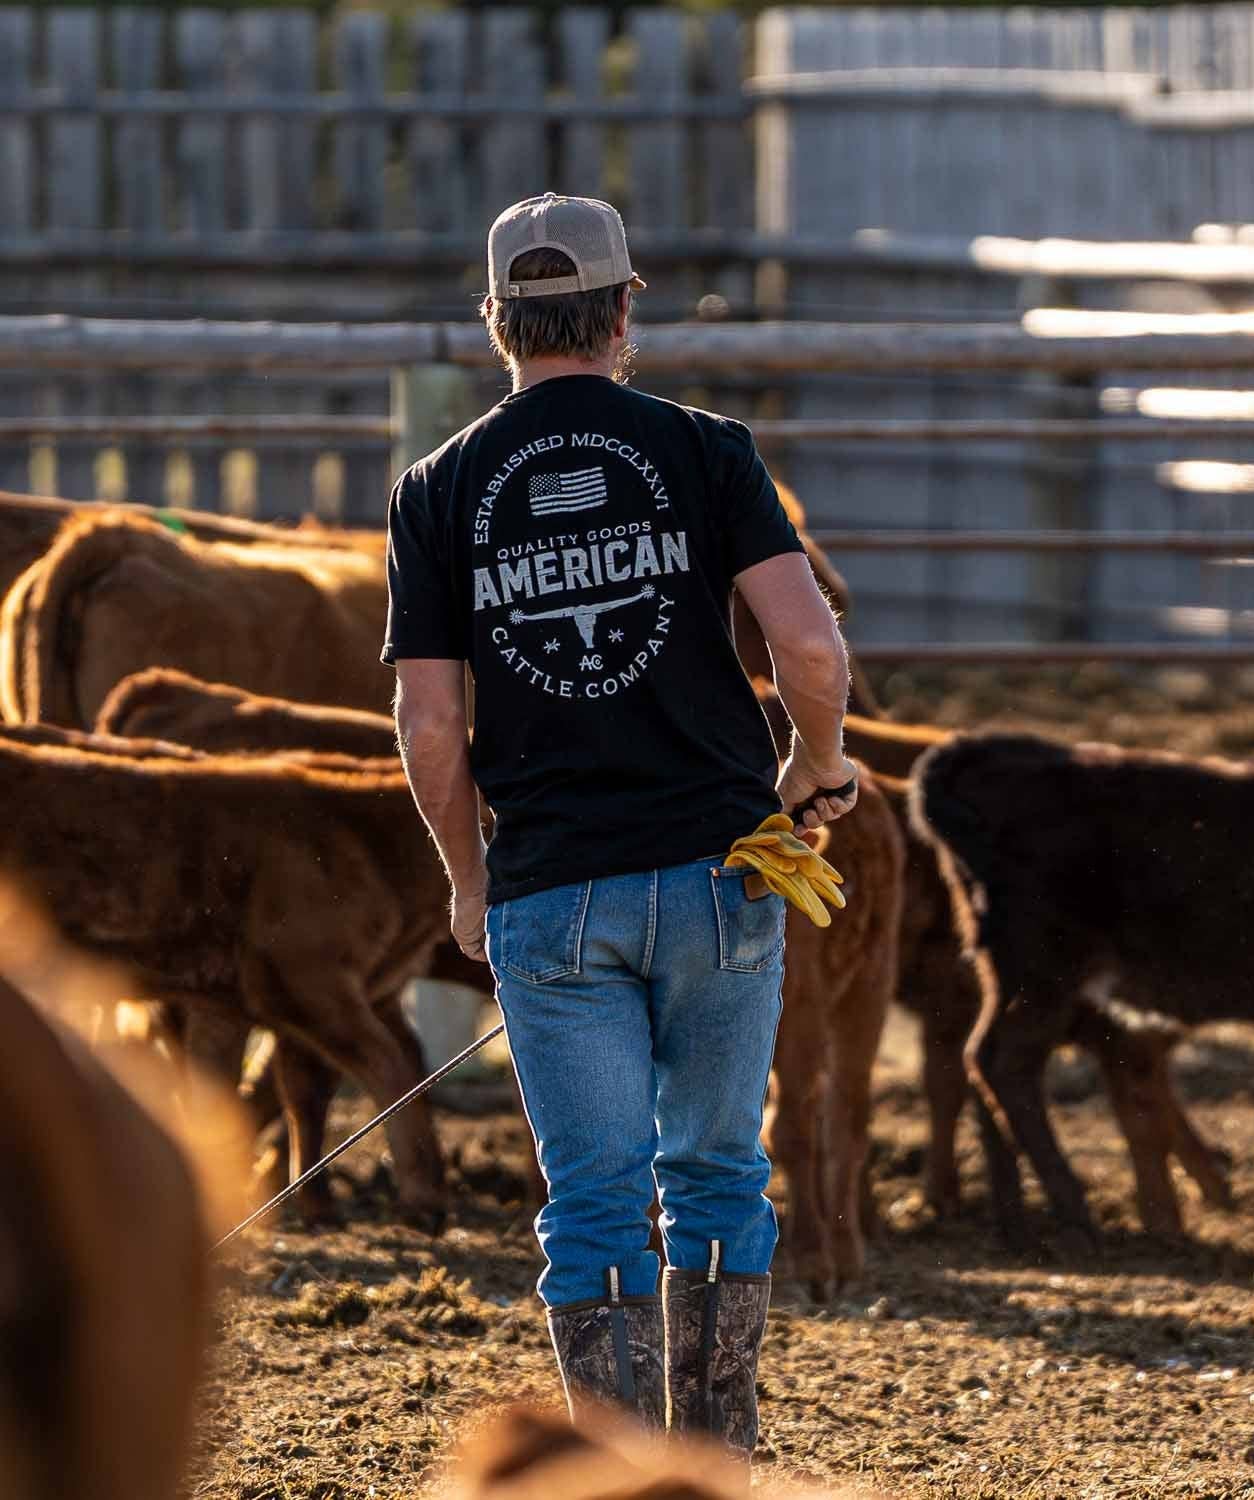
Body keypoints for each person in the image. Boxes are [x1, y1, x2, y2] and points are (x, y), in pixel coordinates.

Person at [382, 192, 857, 1456]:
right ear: (626, 307)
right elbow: (809, 643)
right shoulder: (707, 449)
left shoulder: (438, 490)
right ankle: (720, 1463)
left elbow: (429, 729)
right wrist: (818, 767)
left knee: (593, 1201)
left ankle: (613, 1478)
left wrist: (468, 883)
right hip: (723, 870)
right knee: (716, 1175)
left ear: (497, 321)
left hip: (551, 889)